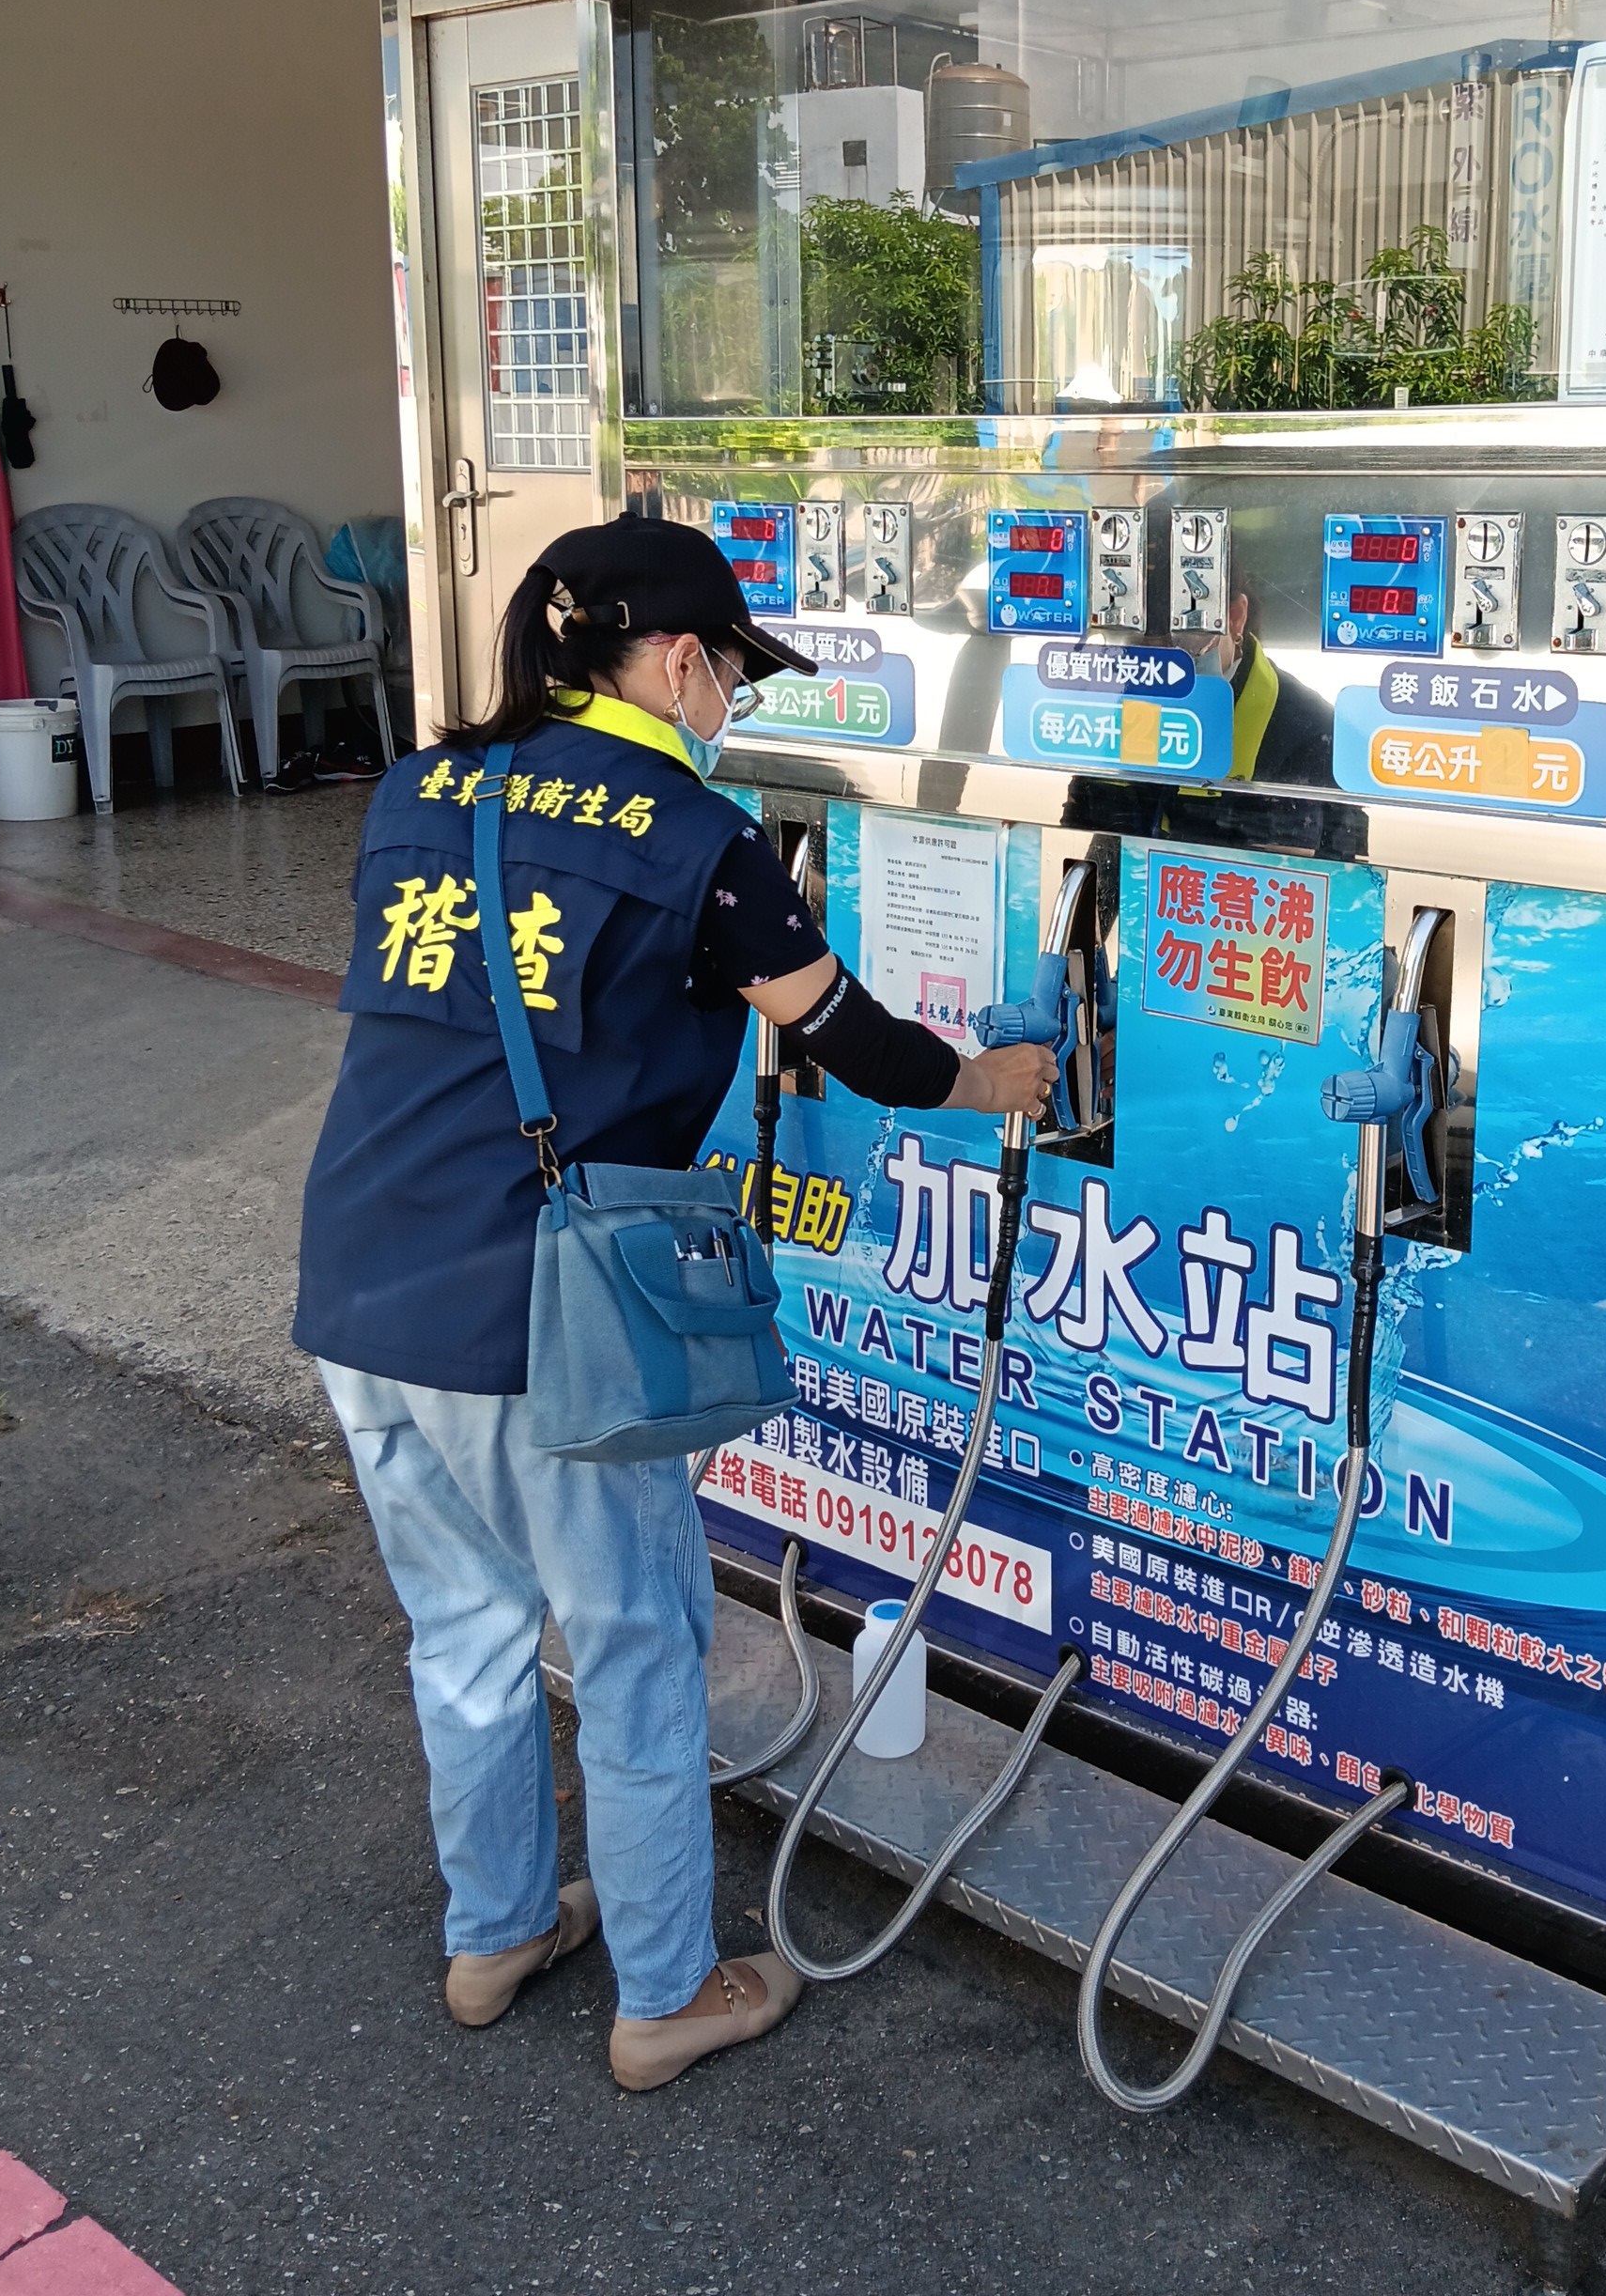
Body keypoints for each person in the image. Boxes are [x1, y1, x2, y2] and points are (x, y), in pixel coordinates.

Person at [293, 516, 1055, 2091]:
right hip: (537, 1316)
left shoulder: (419, 786)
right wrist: (993, 1081)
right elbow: (843, 1034)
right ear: (681, 660)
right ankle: (663, 1994)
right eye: (729, 678)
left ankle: (496, 1932)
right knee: (636, 1642)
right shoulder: (693, 835)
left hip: (360, 1274)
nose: (730, 707)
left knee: (465, 1629)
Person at [1066, 543, 1364, 859]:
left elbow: (1321, 877)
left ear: (1235, 618)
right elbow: (1083, 847)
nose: (1159, 668)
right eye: (1137, 646)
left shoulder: (1314, 734)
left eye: (1180, 641)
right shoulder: (1110, 713)